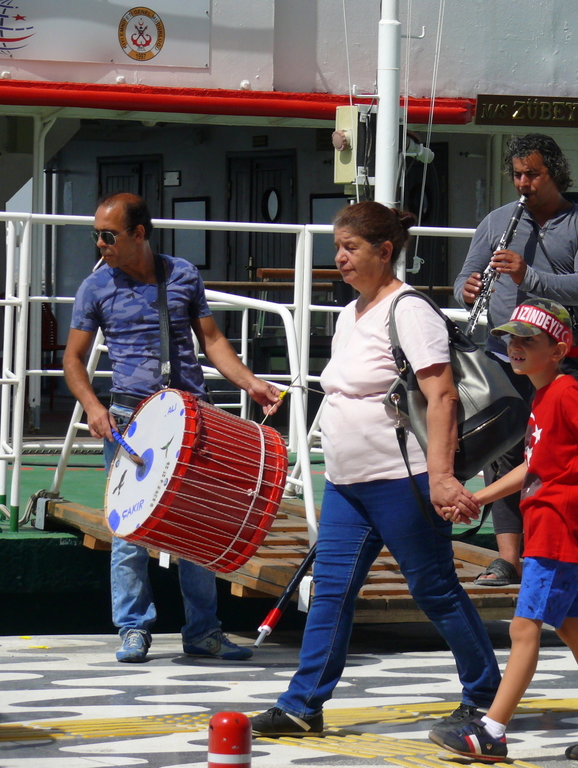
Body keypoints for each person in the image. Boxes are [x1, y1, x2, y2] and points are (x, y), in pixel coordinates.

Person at [250, 201, 501, 737]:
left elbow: (441, 395)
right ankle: (303, 704)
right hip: (347, 484)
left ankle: (484, 695)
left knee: (433, 588)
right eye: (337, 247)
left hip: (401, 479)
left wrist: (440, 477)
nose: (339, 258)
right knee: (332, 590)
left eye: (351, 248)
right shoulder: (350, 313)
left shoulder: (408, 310)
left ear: (384, 251)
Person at [63, 192, 283, 663]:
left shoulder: (181, 274)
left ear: (139, 233)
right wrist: (92, 406)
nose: (100, 244)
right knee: (129, 532)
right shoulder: (95, 288)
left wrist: (251, 384)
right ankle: (133, 629)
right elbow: (73, 359)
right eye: (96, 235)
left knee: (197, 525)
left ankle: (203, 631)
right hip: (129, 421)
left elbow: (212, 339)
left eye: (108, 235)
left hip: (189, 416)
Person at [431, 298, 578, 763]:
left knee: (525, 628)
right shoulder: (543, 396)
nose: (516, 347)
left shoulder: (566, 391)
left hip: (557, 528)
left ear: (559, 349)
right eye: (512, 338)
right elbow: (534, 466)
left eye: (530, 340)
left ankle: (492, 730)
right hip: (549, 527)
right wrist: (478, 498)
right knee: (572, 628)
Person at [453, 133, 578, 588]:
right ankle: (508, 560)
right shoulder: (499, 220)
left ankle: (564, 553)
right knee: (501, 453)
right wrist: (466, 289)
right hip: (506, 352)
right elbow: (468, 275)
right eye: (518, 174)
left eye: (533, 174)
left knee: (559, 453)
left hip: (563, 356)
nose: (524, 183)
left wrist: (530, 276)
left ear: (554, 173)